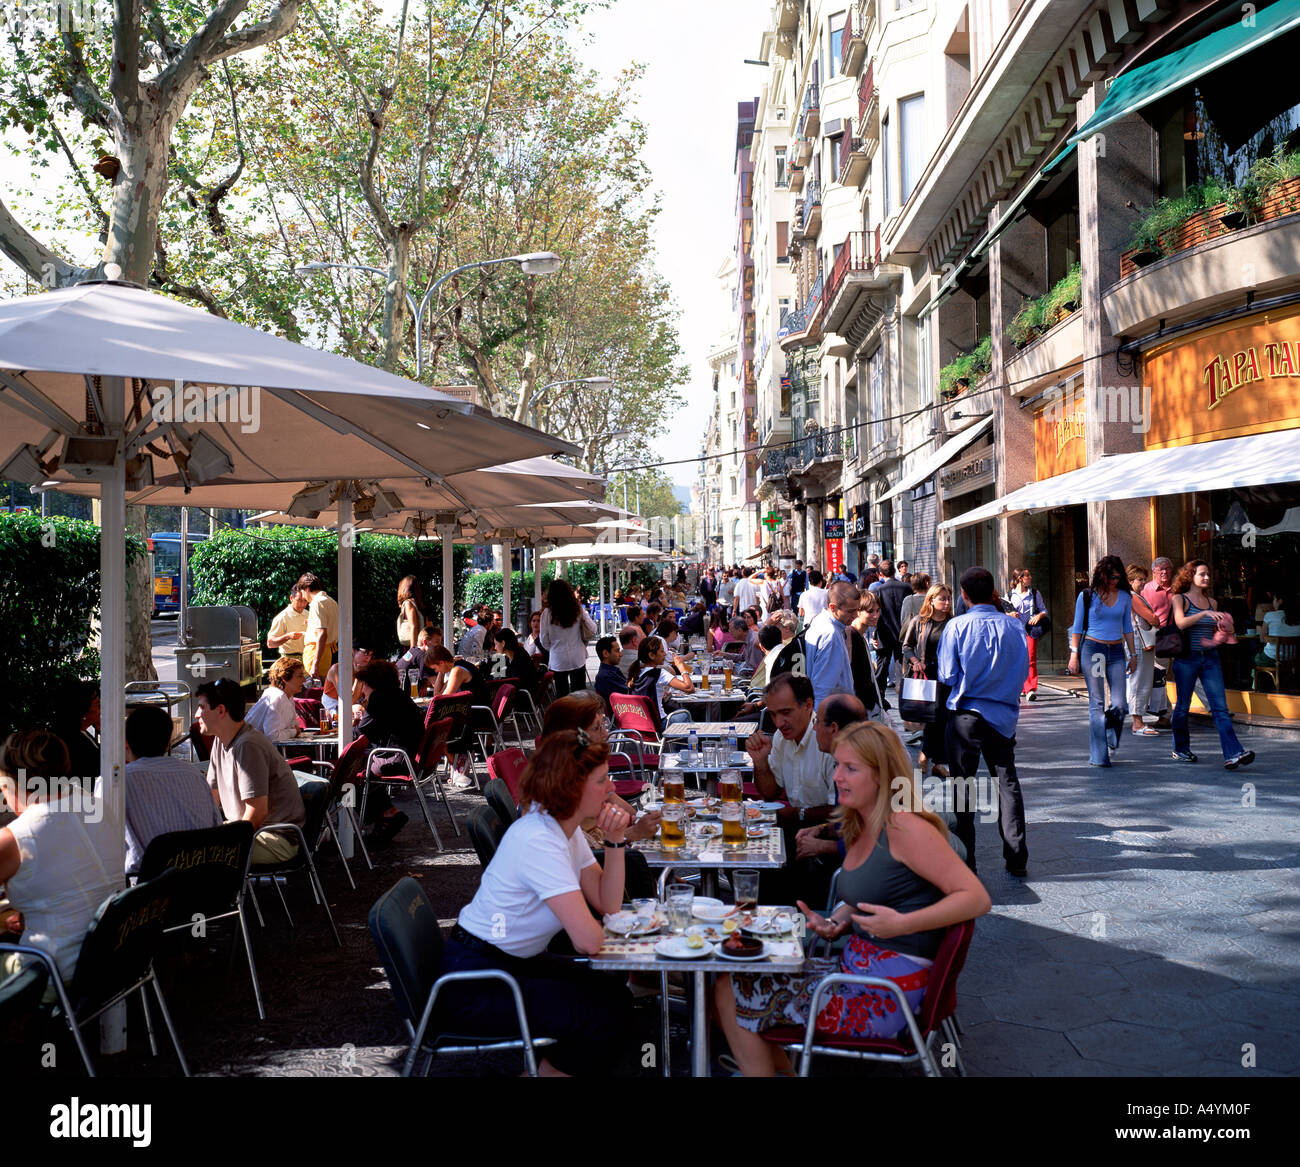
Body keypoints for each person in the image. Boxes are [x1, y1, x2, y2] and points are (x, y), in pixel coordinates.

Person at [715, 720, 991, 1075]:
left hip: (881, 995)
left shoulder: (904, 827)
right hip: (852, 972)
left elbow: (976, 898)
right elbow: (880, 892)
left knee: (729, 991)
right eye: (838, 766)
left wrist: (902, 923)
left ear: (880, 775)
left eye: (851, 768)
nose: (837, 777)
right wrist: (837, 920)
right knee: (728, 983)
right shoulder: (863, 823)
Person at [442, 731, 637, 1076]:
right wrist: (647, 947)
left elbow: (609, 904)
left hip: (510, 962)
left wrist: (616, 840)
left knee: (612, 991)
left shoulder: (564, 829)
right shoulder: (539, 840)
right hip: (475, 982)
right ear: (571, 787)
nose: (612, 788)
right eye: (603, 780)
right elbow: (589, 941)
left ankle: (547, 1070)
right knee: (603, 1013)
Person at [0, 731, 121, 983]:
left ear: (12, 784)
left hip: (55, 971)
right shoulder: (96, 805)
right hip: (119, 954)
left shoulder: (17, 837)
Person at [937, 566, 1030, 876]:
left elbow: (948, 675)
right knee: (1007, 784)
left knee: (963, 787)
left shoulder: (956, 627)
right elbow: (1022, 670)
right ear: (993, 592)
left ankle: (967, 860)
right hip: (1002, 716)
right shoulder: (1015, 627)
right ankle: (1016, 856)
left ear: (964, 595)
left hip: (965, 715)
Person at [196, 679, 306, 865]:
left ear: (221, 710)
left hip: (275, 838)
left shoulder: (248, 745)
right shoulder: (220, 741)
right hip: (252, 832)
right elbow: (211, 801)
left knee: (195, 856)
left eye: (202, 707)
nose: (197, 714)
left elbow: (257, 814)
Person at [1169, 560, 1254, 769]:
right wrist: (1204, 614)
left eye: (1208, 574)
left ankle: (1233, 753)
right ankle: (1180, 749)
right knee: (1182, 707)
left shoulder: (1212, 602)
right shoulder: (1179, 598)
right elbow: (1180, 623)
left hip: (1210, 658)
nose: (1207, 577)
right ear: (1191, 576)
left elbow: (1217, 632)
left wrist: (1226, 629)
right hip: (1187, 658)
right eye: (1202, 574)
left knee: (1220, 708)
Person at [121, 703, 220, 874]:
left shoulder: (118, 781)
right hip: (204, 882)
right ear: (168, 743)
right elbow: (216, 829)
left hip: (149, 891)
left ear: (126, 743)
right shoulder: (194, 774)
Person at [1067, 555, 1144, 768]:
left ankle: (1109, 731)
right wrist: (1074, 654)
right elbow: (1077, 627)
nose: (1114, 581)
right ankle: (1099, 755)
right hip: (1094, 650)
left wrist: (1133, 654)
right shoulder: (1087, 596)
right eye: (1111, 577)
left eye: (1118, 577)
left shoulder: (1125, 597)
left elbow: (1128, 627)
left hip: (1117, 651)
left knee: (1120, 703)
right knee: (1098, 702)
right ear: (1101, 574)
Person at [745, 673, 836, 825]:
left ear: (808, 705)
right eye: (773, 714)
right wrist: (760, 761)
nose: (779, 723)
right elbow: (770, 794)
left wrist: (797, 814)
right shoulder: (781, 737)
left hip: (830, 835)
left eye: (786, 713)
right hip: (800, 828)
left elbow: (843, 812)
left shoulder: (827, 740)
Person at [352, 660, 423, 846]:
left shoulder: (379, 698)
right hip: (409, 755)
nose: (362, 690)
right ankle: (388, 812)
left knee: (350, 773)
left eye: (364, 685)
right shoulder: (397, 695)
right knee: (361, 764)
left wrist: (352, 722)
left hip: (396, 758)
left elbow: (361, 734)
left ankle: (378, 816)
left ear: (371, 684)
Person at [901, 584, 954, 779]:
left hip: (948, 675)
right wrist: (914, 661)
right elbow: (906, 646)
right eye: (942, 598)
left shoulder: (953, 622)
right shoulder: (919, 622)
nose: (947, 602)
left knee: (943, 718)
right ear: (931, 600)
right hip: (927, 673)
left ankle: (930, 757)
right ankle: (934, 760)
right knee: (935, 717)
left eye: (948, 598)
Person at [1136, 558, 1176, 730]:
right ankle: (1166, 715)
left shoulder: (1178, 588)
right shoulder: (1146, 590)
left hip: (1179, 637)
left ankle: (1215, 707)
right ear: (1154, 572)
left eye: (1167, 569)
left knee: (1191, 673)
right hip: (1158, 638)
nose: (1164, 572)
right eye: (1160, 569)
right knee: (1160, 676)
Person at [540, 579, 597, 697]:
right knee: (580, 694)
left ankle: (566, 715)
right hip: (577, 657)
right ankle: (580, 715)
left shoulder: (546, 614)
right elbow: (593, 629)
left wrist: (553, 648)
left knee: (562, 694)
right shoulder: (577, 610)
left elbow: (544, 639)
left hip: (557, 659)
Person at [804, 581, 860, 702]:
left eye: (857, 610)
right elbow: (822, 688)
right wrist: (822, 719)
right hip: (832, 712)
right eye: (850, 611)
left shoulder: (820, 621)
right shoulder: (830, 634)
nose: (855, 615)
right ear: (833, 607)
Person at [628, 635, 694, 725]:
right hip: (658, 724)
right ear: (651, 655)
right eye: (662, 651)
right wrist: (681, 667)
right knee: (685, 714)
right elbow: (689, 688)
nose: (665, 654)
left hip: (640, 724)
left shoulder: (635, 672)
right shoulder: (659, 673)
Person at [1007, 569, 1049, 702]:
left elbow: (1044, 610)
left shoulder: (1034, 593)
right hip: (1015, 632)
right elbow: (1002, 612)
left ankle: (1030, 689)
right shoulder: (1009, 595)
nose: (1030, 577)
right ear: (1020, 578)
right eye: (1027, 576)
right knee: (1017, 660)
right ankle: (1020, 687)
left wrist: (1038, 616)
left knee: (1030, 659)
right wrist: (1010, 614)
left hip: (1030, 630)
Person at [871, 560, 912, 695]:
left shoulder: (877, 590)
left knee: (882, 665)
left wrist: (873, 635)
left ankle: (879, 693)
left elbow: (874, 614)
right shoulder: (906, 588)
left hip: (884, 631)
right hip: (904, 632)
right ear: (895, 571)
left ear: (880, 574)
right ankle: (906, 691)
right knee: (904, 664)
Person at [245, 656, 308, 741]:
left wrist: (294, 731)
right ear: (285, 678)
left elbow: (294, 726)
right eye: (300, 676)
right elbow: (272, 735)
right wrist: (293, 732)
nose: (304, 680)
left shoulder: (287, 697)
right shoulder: (277, 697)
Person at [53, 680, 100, 789]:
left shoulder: (83, 733)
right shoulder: (73, 741)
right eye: (97, 705)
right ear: (83, 710)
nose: (100, 709)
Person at [297, 573, 339, 680]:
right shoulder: (332, 602)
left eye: (302, 592)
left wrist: (315, 664)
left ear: (306, 589)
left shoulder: (316, 603)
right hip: (330, 651)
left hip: (318, 652)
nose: (303, 597)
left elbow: (322, 634)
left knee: (312, 691)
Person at [323, 642, 376, 720]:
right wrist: (359, 677)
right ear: (353, 651)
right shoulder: (337, 669)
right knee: (359, 709)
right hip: (335, 712)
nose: (368, 657)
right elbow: (347, 702)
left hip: (355, 709)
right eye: (366, 653)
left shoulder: (367, 670)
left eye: (371, 654)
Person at [1257, 592, 1300, 678]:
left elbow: (1262, 639)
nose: (1273, 602)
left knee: (1257, 658)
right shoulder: (1297, 617)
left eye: (1274, 599)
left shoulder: (1269, 615)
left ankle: (1259, 688)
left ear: (1280, 601)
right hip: (1292, 659)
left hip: (1271, 657)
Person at [491, 627, 540, 699]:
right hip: (526, 693)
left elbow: (515, 682)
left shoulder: (519, 659)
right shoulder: (516, 654)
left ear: (503, 643)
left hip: (524, 697)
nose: (495, 647)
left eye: (496, 644)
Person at [267, 585, 309, 660]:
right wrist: (288, 636)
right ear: (291, 598)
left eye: (305, 600)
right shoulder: (282, 617)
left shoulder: (309, 614)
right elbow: (270, 643)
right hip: (288, 660)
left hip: (308, 658)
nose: (303, 604)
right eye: (299, 600)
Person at [592, 636, 629, 710]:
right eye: (617, 651)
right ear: (605, 653)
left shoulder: (611, 672)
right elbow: (629, 692)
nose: (620, 654)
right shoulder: (605, 676)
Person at [396, 575, 426, 653]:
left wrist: (412, 651)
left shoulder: (408, 603)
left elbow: (413, 626)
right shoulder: (420, 605)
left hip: (412, 645)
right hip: (422, 644)